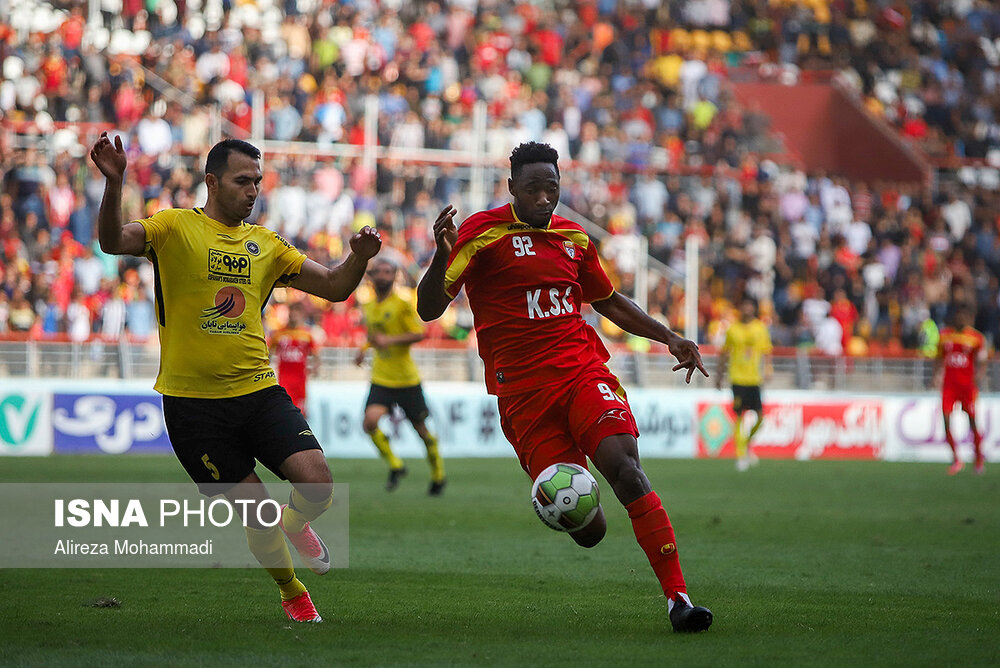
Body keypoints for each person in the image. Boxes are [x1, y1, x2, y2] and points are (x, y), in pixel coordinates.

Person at [415, 142, 713, 633]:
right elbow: (429, 309)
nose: (543, 198)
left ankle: (678, 599)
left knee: (627, 470)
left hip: (581, 374)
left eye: (551, 188)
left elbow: (609, 302)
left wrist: (669, 336)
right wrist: (440, 256)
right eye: (532, 188)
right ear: (511, 187)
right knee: (589, 531)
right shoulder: (481, 233)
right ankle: (580, 505)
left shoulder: (573, 238)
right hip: (524, 399)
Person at [90, 132, 382, 623]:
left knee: (318, 485)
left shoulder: (265, 244)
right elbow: (112, 240)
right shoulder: (173, 227)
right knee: (256, 513)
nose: (253, 190)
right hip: (193, 406)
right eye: (242, 181)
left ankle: (296, 524)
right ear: (211, 181)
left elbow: (333, 286)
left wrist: (359, 257)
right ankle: (292, 592)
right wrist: (116, 183)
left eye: (258, 182)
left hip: (258, 391)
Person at [355, 257, 446, 495]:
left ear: (394, 276)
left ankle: (438, 474)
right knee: (370, 422)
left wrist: (390, 341)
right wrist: (363, 350)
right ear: (372, 276)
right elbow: (376, 336)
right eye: (379, 272)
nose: (383, 275)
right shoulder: (369, 305)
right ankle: (396, 465)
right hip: (382, 377)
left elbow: (419, 333)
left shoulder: (404, 303)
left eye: (388, 271)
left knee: (422, 431)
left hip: (406, 379)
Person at [716, 297, 773, 471]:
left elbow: (767, 351)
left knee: (760, 417)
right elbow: (724, 353)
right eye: (744, 306)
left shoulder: (760, 328)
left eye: (750, 306)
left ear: (754, 309)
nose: (747, 309)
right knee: (740, 416)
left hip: (754, 378)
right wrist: (719, 375)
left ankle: (747, 445)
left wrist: (769, 369)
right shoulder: (732, 329)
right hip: (737, 378)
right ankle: (741, 455)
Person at [933, 304, 987, 475]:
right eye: (959, 316)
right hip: (949, 386)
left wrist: (979, 376)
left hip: (967, 387)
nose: (961, 319)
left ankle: (978, 458)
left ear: (969, 318)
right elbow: (938, 357)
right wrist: (936, 375)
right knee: (946, 421)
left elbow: (983, 360)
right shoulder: (945, 336)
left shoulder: (975, 338)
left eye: (964, 316)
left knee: (972, 422)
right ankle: (956, 459)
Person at [269, 301, 320, 415]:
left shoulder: (306, 335)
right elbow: (268, 353)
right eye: (291, 312)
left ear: (301, 314)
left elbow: (316, 355)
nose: (293, 315)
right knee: (284, 412)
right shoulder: (279, 334)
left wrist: (315, 368)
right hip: (284, 381)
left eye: (296, 312)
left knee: (301, 414)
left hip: (300, 382)